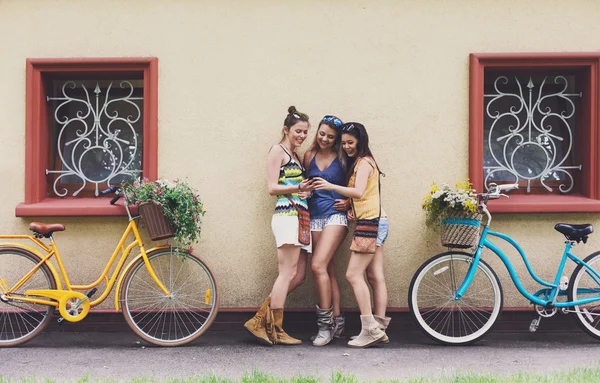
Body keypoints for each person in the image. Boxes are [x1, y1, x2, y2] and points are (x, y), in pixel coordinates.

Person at [312, 121, 390, 348]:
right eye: (343, 143)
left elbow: (357, 191)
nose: (346, 147)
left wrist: (330, 186)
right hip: (377, 220)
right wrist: (352, 207)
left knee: (353, 275)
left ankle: (370, 329)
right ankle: (380, 329)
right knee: (375, 276)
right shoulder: (364, 162)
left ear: (360, 141)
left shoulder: (364, 162)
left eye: (350, 142)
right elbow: (364, 195)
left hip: (371, 223)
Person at [244, 106, 314, 346]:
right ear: (286, 129)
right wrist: (299, 188)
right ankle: (277, 328)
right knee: (286, 273)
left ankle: (260, 318)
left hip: (300, 216)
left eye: (305, 132)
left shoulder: (294, 155)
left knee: (299, 276)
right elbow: (272, 188)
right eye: (298, 131)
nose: (302, 136)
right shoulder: (278, 150)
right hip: (287, 216)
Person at [303, 115, 349, 346]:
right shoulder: (308, 155)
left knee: (317, 266)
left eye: (330, 137)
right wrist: (304, 192)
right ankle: (338, 321)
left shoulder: (342, 157)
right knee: (328, 269)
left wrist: (349, 204)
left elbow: (356, 186)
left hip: (336, 216)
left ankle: (325, 327)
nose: (325, 139)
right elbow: (305, 185)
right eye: (322, 134)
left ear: (337, 139)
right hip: (314, 217)